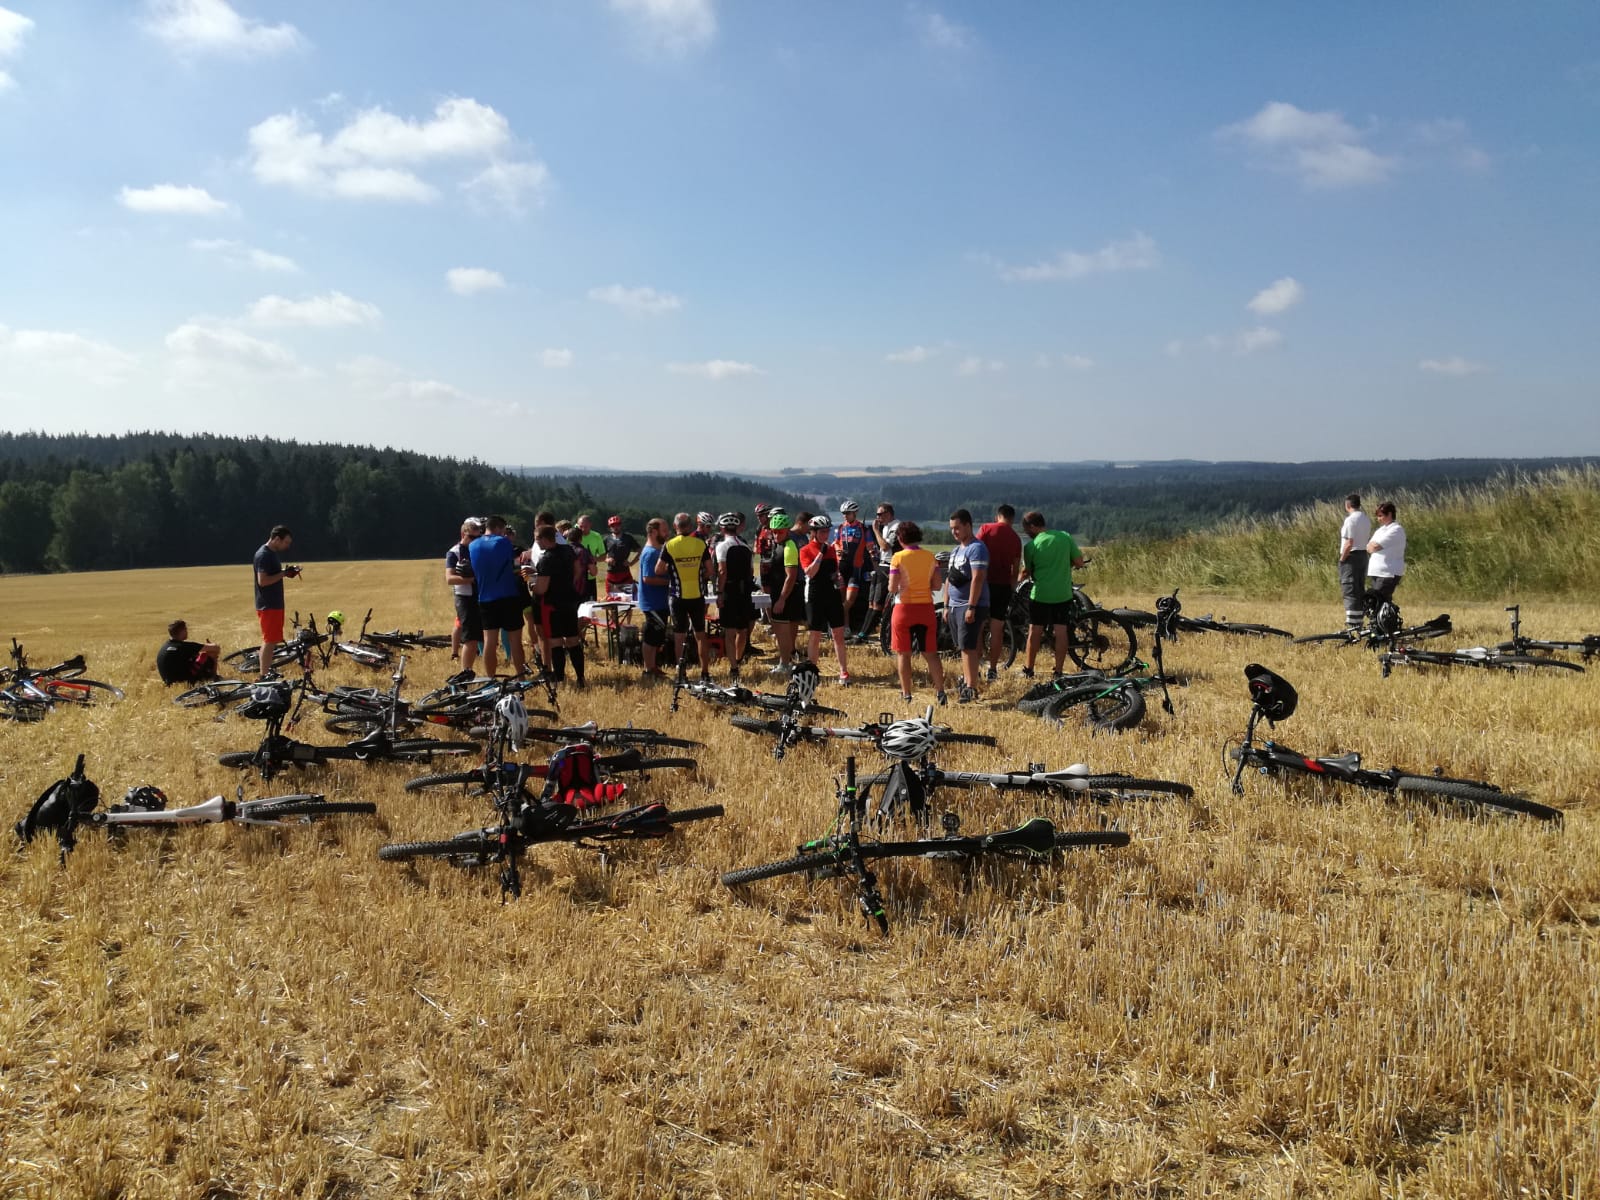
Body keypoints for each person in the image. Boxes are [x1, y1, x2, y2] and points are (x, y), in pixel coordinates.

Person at [1019, 510, 1086, 678]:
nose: (1026, 533)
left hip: (1040, 595)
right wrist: (1065, 563)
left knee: (1035, 631)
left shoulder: (1030, 547)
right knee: (1061, 632)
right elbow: (1079, 562)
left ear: (1032, 526)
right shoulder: (1065, 537)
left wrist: (1016, 579)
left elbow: (1027, 571)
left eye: (1026, 529)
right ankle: (1058, 671)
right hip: (1063, 594)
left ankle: (1029, 669)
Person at [888, 520, 946, 704]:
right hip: (926, 608)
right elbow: (937, 585)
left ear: (900, 538)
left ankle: (906, 694)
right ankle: (941, 692)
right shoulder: (930, 557)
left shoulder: (897, 557)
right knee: (931, 654)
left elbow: (892, 588)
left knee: (903, 654)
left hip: (904, 608)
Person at [468, 514, 526, 678]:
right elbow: (513, 563)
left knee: (489, 641)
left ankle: (491, 678)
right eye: (503, 531)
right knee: (515, 640)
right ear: (498, 528)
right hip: (508, 596)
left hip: (485, 598)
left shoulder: (473, 545)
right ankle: (521, 677)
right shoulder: (503, 542)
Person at [798, 515, 853, 686]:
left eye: (827, 531)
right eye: (822, 531)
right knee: (815, 634)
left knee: (838, 633)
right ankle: (812, 671)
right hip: (815, 595)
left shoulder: (831, 549)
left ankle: (843, 671)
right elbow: (810, 572)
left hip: (832, 594)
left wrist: (838, 578)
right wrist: (820, 554)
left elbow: (834, 571)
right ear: (813, 532)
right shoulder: (805, 550)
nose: (825, 534)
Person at [530, 524, 585, 687]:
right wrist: (567, 583)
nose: (536, 542)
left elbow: (542, 588)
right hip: (570, 600)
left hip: (552, 605)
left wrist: (531, 585)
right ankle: (580, 677)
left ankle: (559, 677)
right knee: (573, 640)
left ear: (544, 539)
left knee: (555, 641)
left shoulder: (546, 559)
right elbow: (578, 570)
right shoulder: (568, 550)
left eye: (537, 539)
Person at [945, 509, 990, 702]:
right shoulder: (956, 551)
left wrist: (971, 606)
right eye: (951, 528)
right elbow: (949, 579)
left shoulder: (976, 548)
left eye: (957, 528)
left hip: (969, 605)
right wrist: (946, 605)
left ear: (968, 526)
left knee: (968, 647)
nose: (954, 532)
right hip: (955, 605)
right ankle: (967, 680)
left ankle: (971, 687)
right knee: (962, 647)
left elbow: (978, 578)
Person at [664, 512, 713, 679]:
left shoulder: (670, 545)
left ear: (675, 526)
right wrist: (698, 575)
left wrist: (674, 570)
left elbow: (659, 569)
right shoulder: (700, 544)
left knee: (679, 635)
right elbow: (710, 570)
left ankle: (681, 673)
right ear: (691, 526)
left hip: (677, 595)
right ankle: (705, 672)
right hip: (697, 595)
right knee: (700, 634)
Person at [977, 504, 1023, 681]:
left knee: (978, 626)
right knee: (997, 629)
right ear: (1012, 519)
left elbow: (975, 551)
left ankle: (976, 664)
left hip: (984, 584)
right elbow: (1015, 569)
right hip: (1003, 586)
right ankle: (993, 669)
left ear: (998, 516)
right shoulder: (1016, 538)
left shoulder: (986, 529)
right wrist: (1012, 588)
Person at [252, 524, 300, 675]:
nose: (287, 546)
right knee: (270, 641)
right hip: (268, 604)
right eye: (286, 542)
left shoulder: (271, 554)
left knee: (271, 640)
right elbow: (263, 581)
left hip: (274, 603)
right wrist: (284, 574)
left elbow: (273, 575)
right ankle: (264, 676)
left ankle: (265, 672)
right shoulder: (264, 555)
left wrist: (287, 572)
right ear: (277, 539)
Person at [714, 512, 756, 682]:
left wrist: (719, 592)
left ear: (723, 528)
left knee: (730, 631)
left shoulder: (722, 546)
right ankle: (738, 659)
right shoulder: (746, 547)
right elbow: (751, 571)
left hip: (730, 590)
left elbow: (722, 571)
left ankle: (733, 667)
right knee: (743, 630)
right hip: (745, 590)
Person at [761, 512, 803, 675]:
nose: (776, 535)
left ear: (787, 530)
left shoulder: (789, 547)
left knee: (782, 631)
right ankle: (785, 661)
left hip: (786, 595)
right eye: (774, 531)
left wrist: (782, 599)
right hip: (779, 592)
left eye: (780, 531)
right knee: (779, 630)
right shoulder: (778, 545)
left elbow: (791, 576)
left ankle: (785, 664)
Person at [854, 502, 899, 644]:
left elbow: (885, 546)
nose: (877, 517)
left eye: (880, 514)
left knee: (878, 603)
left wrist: (875, 530)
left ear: (888, 514)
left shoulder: (896, 527)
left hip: (889, 566)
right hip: (881, 565)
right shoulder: (885, 527)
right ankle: (863, 632)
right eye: (876, 514)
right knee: (871, 602)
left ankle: (865, 634)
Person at [832, 500, 878, 637]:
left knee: (849, 600)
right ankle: (845, 628)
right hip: (841, 567)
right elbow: (836, 543)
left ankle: (835, 620)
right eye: (843, 513)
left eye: (848, 513)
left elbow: (870, 547)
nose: (845, 516)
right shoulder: (840, 528)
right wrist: (838, 549)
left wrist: (876, 565)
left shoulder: (863, 529)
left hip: (856, 569)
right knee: (842, 599)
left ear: (855, 513)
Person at [445, 517, 484, 672]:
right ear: (463, 534)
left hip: (481, 595)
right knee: (471, 639)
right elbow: (449, 579)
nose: (475, 541)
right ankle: (465, 672)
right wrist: (471, 579)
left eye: (478, 537)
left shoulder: (479, 550)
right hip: (465, 598)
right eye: (471, 537)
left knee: (484, 635)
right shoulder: (454, 552)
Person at [636, 518, 673, 677]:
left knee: (657, 636)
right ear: (653, 532)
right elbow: (648, 578)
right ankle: (648, 668)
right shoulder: (650, 553)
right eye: (664, 530)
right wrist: (669, 582)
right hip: (652, 602)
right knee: (651, 636)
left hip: (659, 602)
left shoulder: (657, 551)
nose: (667, 533)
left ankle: (652, 666)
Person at [1339, 494, 1372, 630]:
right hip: (1363, 555)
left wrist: (1342, 558)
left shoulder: (1350, 520)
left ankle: (1353, 624)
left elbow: (1349, 542)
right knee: (1359, 588)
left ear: (1348, 505)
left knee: (1350, 588)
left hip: (1351, 556)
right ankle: (1359, 621)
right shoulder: (1365, 519)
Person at [1365, 501, 1406, 608]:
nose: (1378, 519)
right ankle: (1386, 617)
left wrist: (1374, 546)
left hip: (1388, 572)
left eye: (1381, 516)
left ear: (1390, 514)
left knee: (1378, 601)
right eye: (1377, 516)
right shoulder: (1380, 530)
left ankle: (1385, 617)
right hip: (1376, 571)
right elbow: (1369, 547)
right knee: (1379, 602)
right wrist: (1373, 546)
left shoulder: (1396, 530)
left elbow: (1374, 547)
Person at [156, 619, 219, 685]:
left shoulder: (165, 646)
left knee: (196, 657)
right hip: (185, 682)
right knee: (208, 655)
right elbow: (216, 648)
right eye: (186, 629)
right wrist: (212, 651)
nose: (187, 631)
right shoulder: (184, 646)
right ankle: (213, 677)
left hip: (170, 683)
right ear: (182, 631)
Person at [602, 515, 640, 595]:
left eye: (617, 525)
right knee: (611, 599)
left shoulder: (628, 538)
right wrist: (607, 560)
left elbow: (640, 551)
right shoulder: (606, 539)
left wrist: (631, 563)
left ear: (620, 525)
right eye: (613, 525)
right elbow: (601, 555)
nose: (615, 527)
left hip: (625, 574)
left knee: (627, 599)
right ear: (610, 527)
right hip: (611, 575)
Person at [574, 514, 607, 601]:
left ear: (590, 525)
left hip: (590, 577)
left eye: (586, 527)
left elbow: (603, 556)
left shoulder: (596, 536)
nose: (583, 529)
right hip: (575, 578)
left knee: (591, 604)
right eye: (581, 527)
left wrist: (592, 559)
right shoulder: (573, 535)